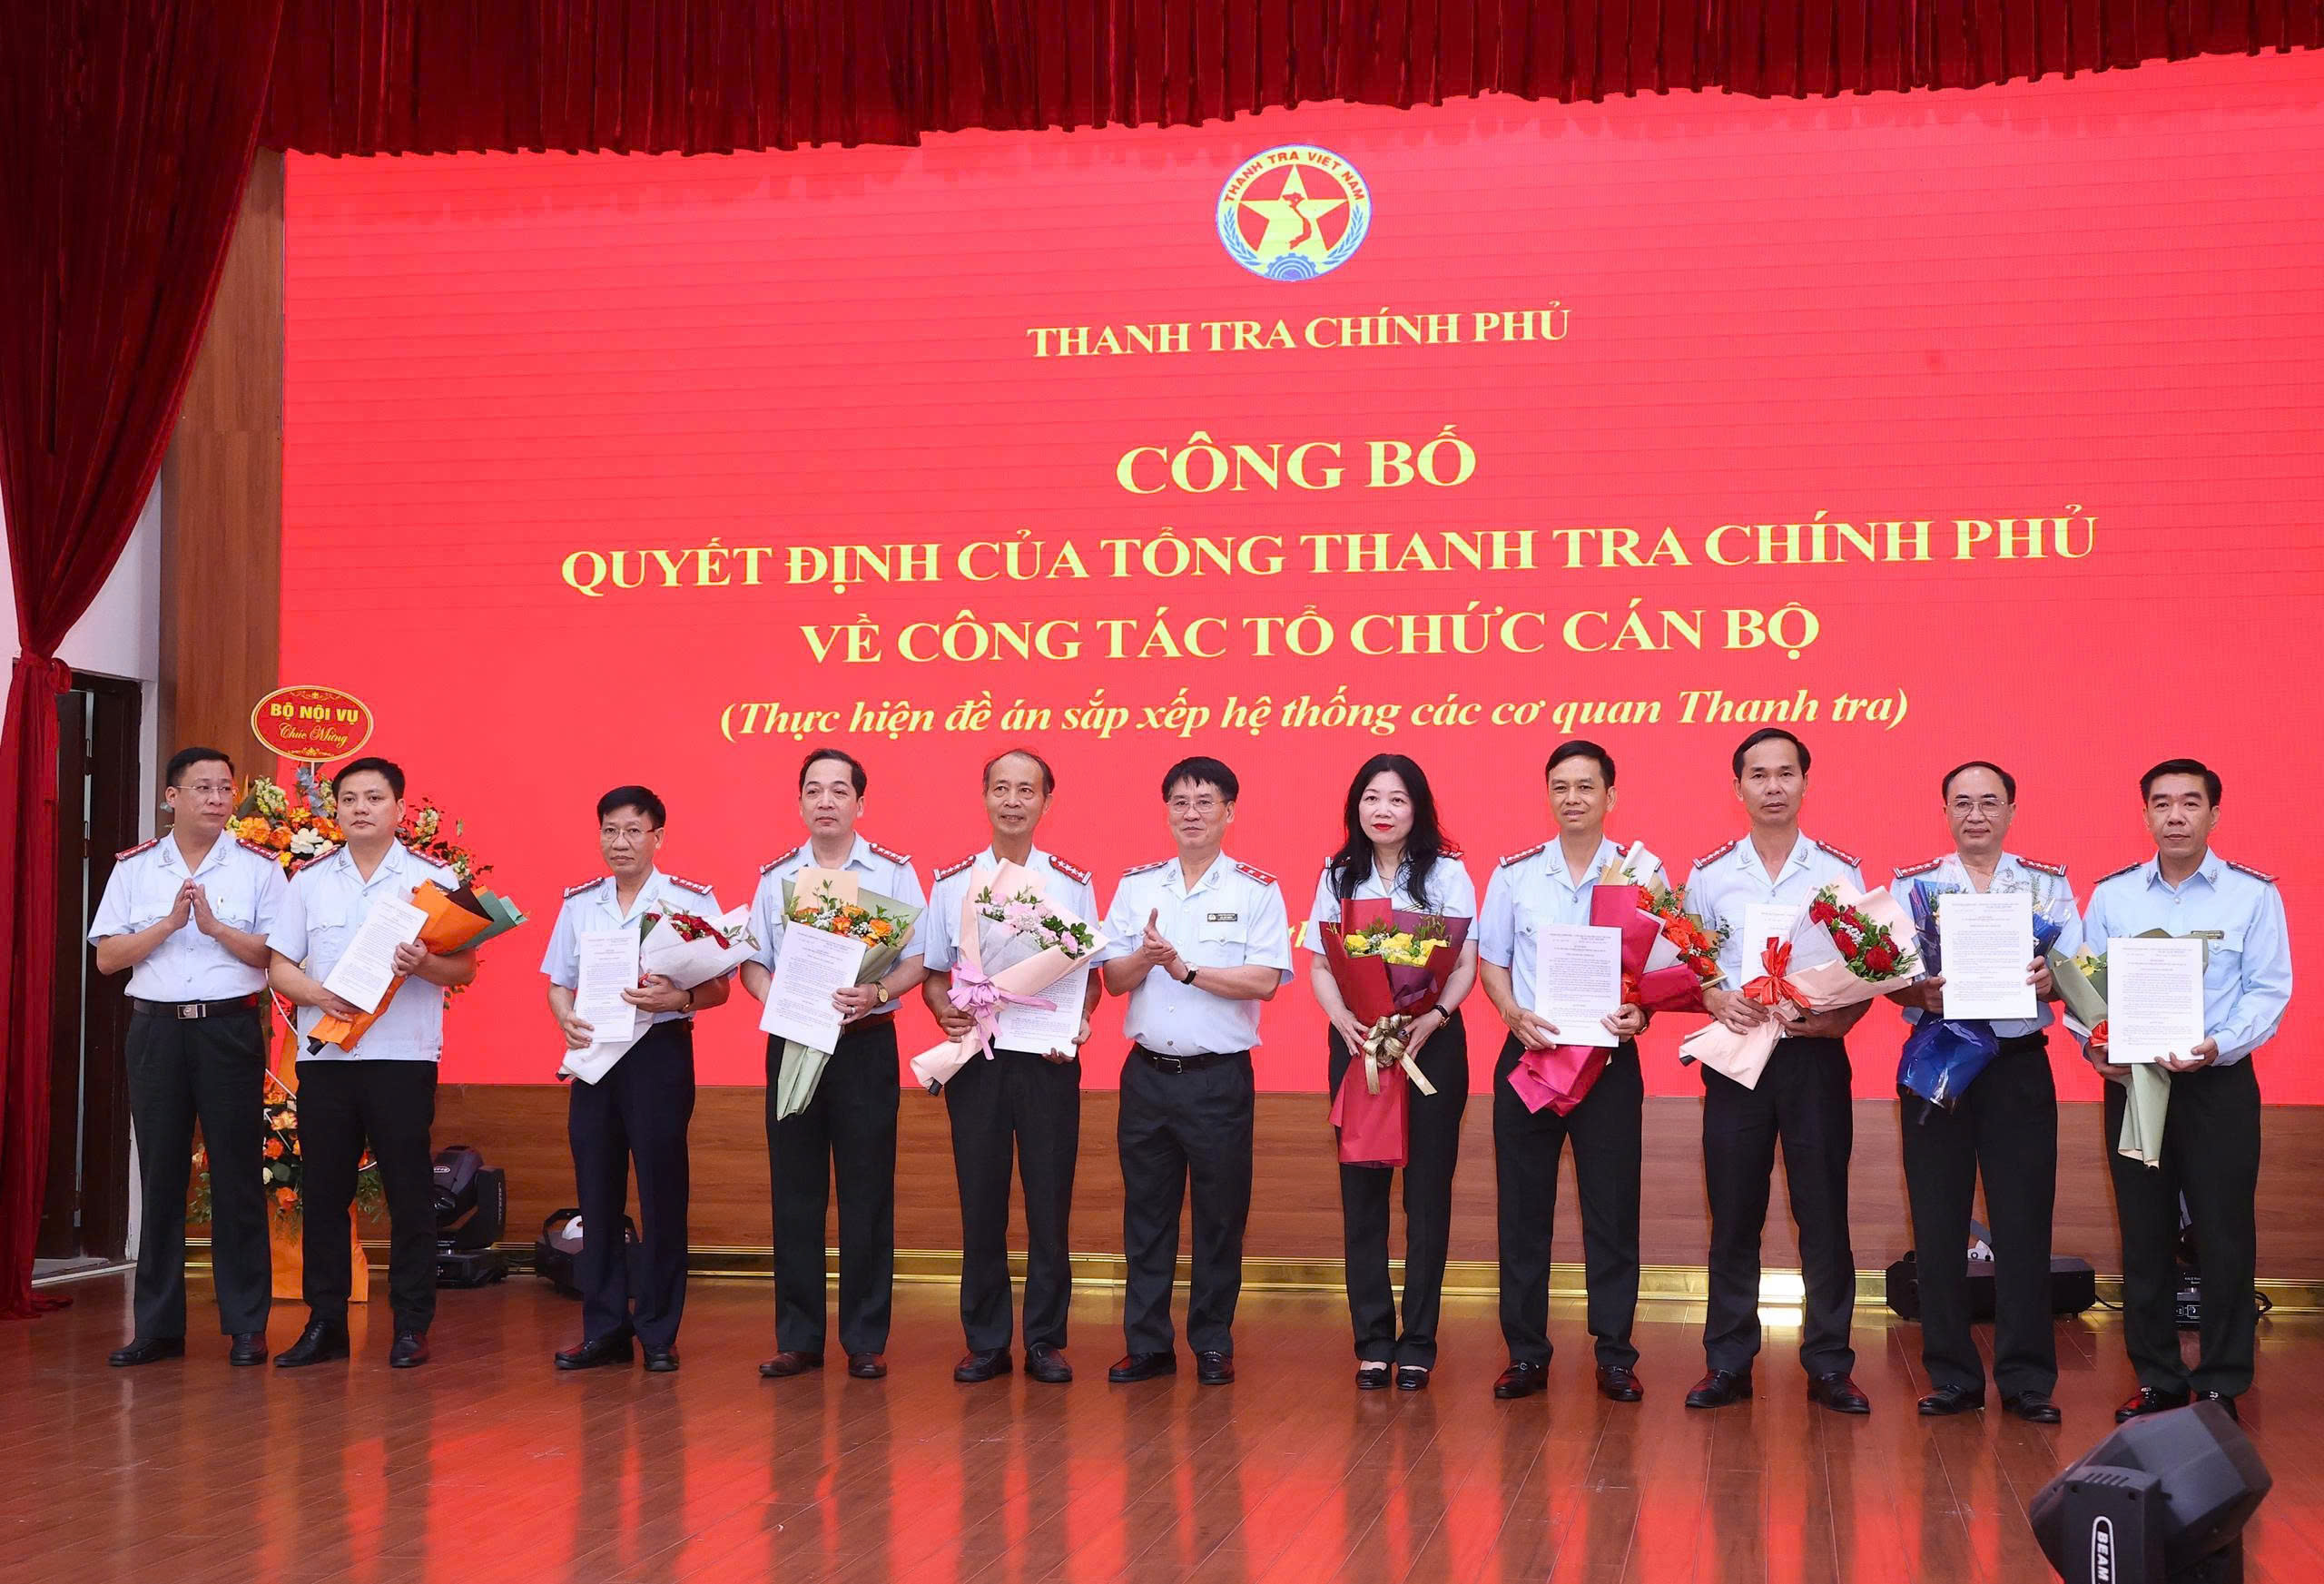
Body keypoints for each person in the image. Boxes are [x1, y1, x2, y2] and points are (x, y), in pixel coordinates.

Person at [2083, 758, 2290, 1423]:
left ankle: (2223, 1381)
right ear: (2145, 814)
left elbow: (2269, 990)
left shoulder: (2252, 895)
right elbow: (2085, 985)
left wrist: (2218, 1044)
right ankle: (2158, 1379)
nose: (2176, 816)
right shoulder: (2114, 896)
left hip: (2217, 1083)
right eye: (2162, 803)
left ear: (2214, 814)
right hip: (2136, 1083)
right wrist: (2097, 1044)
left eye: (2190, 803)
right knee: (2143, 1234)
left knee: (2224, 1235)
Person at [1681, 728, 1873, 1414]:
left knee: (1822, 1212)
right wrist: (1714, 997)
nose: (1772, 787)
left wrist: (1840, 1019)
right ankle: (1728, 1361)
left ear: (1805, 783)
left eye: (1785, 773)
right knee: (1734, 1213)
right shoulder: (1710, 875)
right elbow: (1693, 964)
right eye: (1758, 775)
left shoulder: (1838, 873)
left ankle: (1830, 1363)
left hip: (1813, 1057)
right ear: (1738, 787)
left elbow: (1870, 968)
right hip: (1737, 1059)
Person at [266, 757, 475, 1369]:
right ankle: (324, 1322)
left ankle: (410, 1325)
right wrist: (318, 993)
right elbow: (279, 966)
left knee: (409, 1194)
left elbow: (464, 968)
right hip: (328, 1058)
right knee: (324, 1194)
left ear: (400, 809)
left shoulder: (432, 880)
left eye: (374, 797)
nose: (361, 808)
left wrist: (425, 964)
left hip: (401, 1059)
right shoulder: (308, 881)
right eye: (350, 798)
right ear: (335, 809)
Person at [1888, 761, 2078, 1423]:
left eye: (1990, 802)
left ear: (2011, 811)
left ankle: (2027, 1379)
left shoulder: (2048, 886)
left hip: (2017, 1065)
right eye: (1963, 802)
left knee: (2023, 1223)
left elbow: (2078, 973)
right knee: (1938, 1222)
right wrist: (1917, 990)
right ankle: (1952, 1376)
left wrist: (2052, 980)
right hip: (1939, 1057)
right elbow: (1888, 976)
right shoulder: (1913, 885)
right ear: (1945, 811)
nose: (1976, 815)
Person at [90, 746, 288, 1367]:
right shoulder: (136, 868)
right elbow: (108, 958)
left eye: (225, 788)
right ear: (171, 796)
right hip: (156, 1032)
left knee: (237, 1175)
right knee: (161, 1175)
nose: (217, 799)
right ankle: (157, 1327)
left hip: (228, 1030)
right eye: (202, 787)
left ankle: (247, 1326)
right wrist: (169, 925)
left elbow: (275, 956)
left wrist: (216, 929)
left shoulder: (259, 868)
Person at [1098, 756, 1292, 1386]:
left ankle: (1212, 1340)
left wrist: (1184, 969)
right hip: (1146, 1076)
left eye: (1205, 802)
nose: (1191, 813)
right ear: (1167, 812)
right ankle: (1147, 1344)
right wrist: (1147, 958)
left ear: (1229, 812)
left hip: (1217, 1079)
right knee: (1146, 1216)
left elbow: (1263, 981)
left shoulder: (1255, 890)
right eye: (1180, 802)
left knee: (1219, 1215)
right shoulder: (1137, 886)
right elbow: (1112, 979)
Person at [1475, 740, 1654, 1403]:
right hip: (1532, 1058)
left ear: (1611, 795)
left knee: (1612, 1211)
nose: (1572, 798)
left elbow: (1661, 968)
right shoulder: (1515, 874)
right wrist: (1509, 1010)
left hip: (1608, 1063)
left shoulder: (1642, 872)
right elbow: (1492, 960)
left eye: (1586, 786)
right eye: (1560, 787)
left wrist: (1640, 1012)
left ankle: (1615, 1354)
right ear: (1548, 795)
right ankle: (1526, 1353)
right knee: (1523, 1213)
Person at [920, 748, 1100, 1385]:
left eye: (1027, 790)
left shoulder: (1071, 883)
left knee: (1050, 1202)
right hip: (979, 1059)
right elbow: (935, 975)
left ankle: (1045, 1339)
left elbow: (1090, 974)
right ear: (985, 796)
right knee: (981, 1200)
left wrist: (1078, 1022)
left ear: (1047, 801)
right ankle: (986, 1339)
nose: (1013, 801)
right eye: (1002, 788)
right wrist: (945, 1010)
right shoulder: (952, 882)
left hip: (1047, 1060)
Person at [745, 748, 925, 1382]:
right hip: (794, 1044)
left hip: (865, 1045)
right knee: (795, 1191)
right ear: (800, 802)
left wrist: (876, 991)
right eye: (814, 790)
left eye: (839, 790)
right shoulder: (776, 876)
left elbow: (919, 960)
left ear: (860, 803)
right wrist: (779, 999)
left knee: (866, 1192)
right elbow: (752, 961)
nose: (826, 801)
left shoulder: (894, 873)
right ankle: (797, 1337)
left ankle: (865, 1338)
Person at [541, 785, 731, 1373]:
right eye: (609, 830)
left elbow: (720, 987)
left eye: (632, 830)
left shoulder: (689, 901)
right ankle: (603, 1329)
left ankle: (658, 1330)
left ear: (657, 837)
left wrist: (680, 998)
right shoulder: (580, 903)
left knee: (661, 1193)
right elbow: (558, 982)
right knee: (596, 1193)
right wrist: (565, 1017)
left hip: (658, 1054)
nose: (619, 842)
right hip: (595, 1055)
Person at [1304, 753, 1476, 1392]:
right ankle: (1373, 1341)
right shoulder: (1338, 875)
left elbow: (1464, 960)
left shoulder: (1448, 873)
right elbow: (1321, 962)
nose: (1383, 810)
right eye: (1372, 797)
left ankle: (1419, 1343)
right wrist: (1345, 1020)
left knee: (1427, 1197)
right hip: (1360, 1046)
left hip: (1430, 1045)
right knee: (1363, 1194)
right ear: (1357, 807)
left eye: (1397, 799)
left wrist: (1435, 1015)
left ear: (1417, 808)